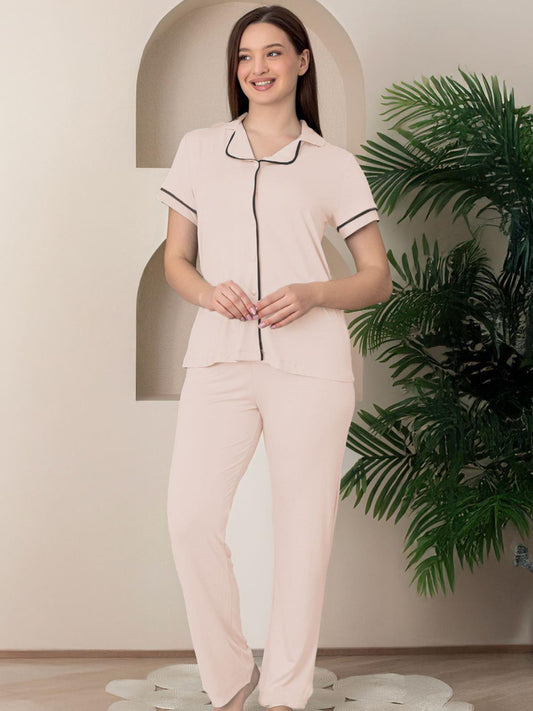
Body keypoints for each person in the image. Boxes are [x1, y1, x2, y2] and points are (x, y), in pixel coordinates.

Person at [160, 5, 392, 711]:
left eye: (271, 52)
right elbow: (175, 261)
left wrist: (314, 292)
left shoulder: (334, 165)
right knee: (190, 518)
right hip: (220, 359)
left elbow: (376, 278)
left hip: (311, 367)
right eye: (244, 56)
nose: (256, 68)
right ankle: (230, 679)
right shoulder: (200, 149)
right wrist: (209, 293)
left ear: (301, 61)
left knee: (303, 535)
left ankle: (285, 693)